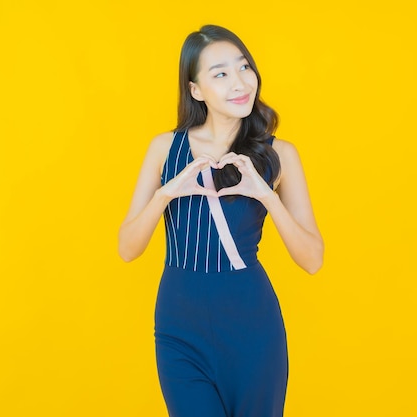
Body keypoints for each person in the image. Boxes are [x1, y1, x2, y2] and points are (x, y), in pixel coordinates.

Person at [118, 24, 323, 417]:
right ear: (196, 90)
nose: (240, 82)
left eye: (244, 67)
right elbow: (127, 248)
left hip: (253, 330)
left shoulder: (279, 156)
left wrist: (265, 195)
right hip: (180, 331)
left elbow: (313, 259)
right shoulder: (165, 149)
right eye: (221, 74)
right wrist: (166, 193)